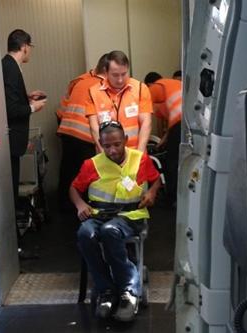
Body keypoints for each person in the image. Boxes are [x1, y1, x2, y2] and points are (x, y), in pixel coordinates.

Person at [69, 121, 161, 321]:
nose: (112, 150)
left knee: (110, 231)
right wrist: (80, 205)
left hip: (130, 216)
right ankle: (106, 289)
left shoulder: (140, 160)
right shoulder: (91, 164)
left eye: (117, 145)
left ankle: (129, 291)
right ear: (100, 144)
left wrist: (152, 192)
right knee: (85, 234)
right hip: (98, 215)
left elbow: (156, 179)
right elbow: (74, 188)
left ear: (126, 141)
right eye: (107, 146)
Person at [2, 29, 46, 218]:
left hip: (14, 140)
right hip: (11, 139)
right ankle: (13, 240)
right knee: (10, 190)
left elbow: (9, 98)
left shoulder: (9, 65)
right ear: (24, 47)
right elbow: (11, 109)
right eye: (30, 46)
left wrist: (26, 98)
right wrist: (33, 107)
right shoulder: (10, 67)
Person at [56, 54, 108, 211]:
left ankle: (64, 205)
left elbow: (60, 110)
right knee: (86, 173)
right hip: (85, 134)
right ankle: (84, 207)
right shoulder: (102, 86)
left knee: (68, 169)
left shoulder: (79, 82)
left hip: (67, 130)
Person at [86, 50, 153, 153]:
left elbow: (146, 122)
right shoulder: (93, 92)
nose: (120, 79)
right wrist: (105, 155)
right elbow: (94, 127)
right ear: (106, 72)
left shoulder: (140, 89)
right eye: (115, 75)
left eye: (124, 74)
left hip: (135, 152)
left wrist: (139, 154)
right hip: (106, 155)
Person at [144, 72, 183, 206]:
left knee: (171, 162)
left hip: (180, 122)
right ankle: (181, 196)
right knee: (181, 160)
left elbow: (143, 112)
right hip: (192, 122)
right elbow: (171, 124)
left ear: (149, 84)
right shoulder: (173, 85)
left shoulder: (155, 86)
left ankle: (170, 199)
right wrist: (164, 139)